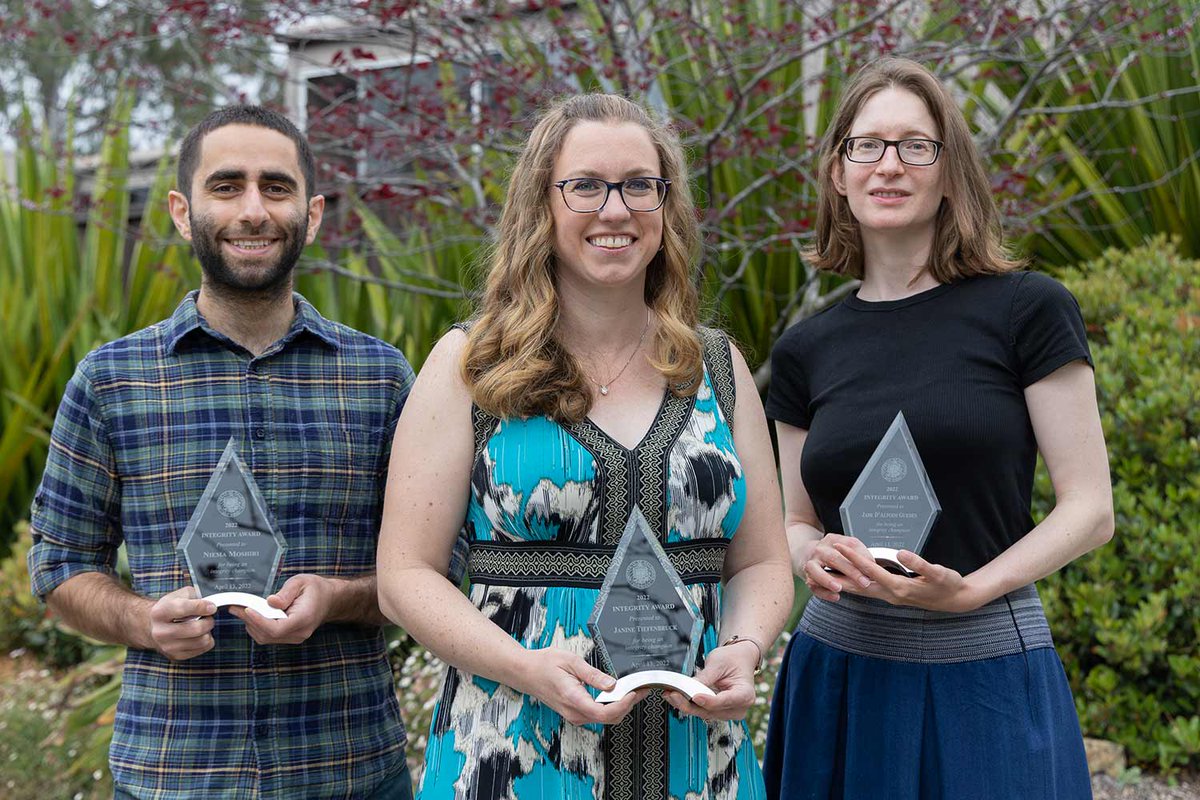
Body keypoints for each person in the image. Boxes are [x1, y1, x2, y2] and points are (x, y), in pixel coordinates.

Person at [376, 93, 793, 800]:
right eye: (587, 186)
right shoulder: (468, 367)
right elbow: (404, 575)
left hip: (697, 760)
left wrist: (745, 648)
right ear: (544, 204)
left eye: (639, 185)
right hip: (512, 752)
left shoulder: (716, 369)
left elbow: (762, 561)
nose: (616, 209)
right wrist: (523, 667)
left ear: (666, 205)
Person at [27, 106, 415, 800]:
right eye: (226, 186)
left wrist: (337, 598)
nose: (254, 211)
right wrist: (141, 622)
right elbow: (60, 564)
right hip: (173, 774)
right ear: (183, 210)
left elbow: (437, 566)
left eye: (276, 187)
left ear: (313, 212)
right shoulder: (112, 380)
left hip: (349, 769)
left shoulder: (380, 378)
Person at [760, 57, 1114, 798]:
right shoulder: (804, 351)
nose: (889, 166)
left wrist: (973, 590)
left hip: (986, 669)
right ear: (838, 172)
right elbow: (793, 520)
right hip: (839, 674)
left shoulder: (1028, 310)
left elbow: (1090, 510)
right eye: (868, 145)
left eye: (916, 146)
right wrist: (809, 554)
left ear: (951, 172)